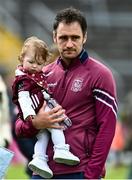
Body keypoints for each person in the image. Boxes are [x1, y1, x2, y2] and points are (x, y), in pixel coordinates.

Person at [15, 7, 118, 179]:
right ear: (54, 37)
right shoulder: (40, 75)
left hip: (80, 171)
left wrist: (92, 174)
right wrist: (36, 123)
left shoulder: (101, 75)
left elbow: (107, 129)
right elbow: (18, 126)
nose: (69, 43)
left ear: (84, 37)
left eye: (75, 37)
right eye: (63, 38)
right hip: (42, 171)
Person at [12, 36, 80, 178]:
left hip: (74, 163)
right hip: (37, 113)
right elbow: (18, 123)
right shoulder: (26, 79)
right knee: (53, 126)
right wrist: (33, 120)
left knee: (43, 137)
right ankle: (59, 149)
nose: (35, 66)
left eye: (39, 63)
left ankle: (39, 158)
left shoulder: (37, 76)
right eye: (31, 62)